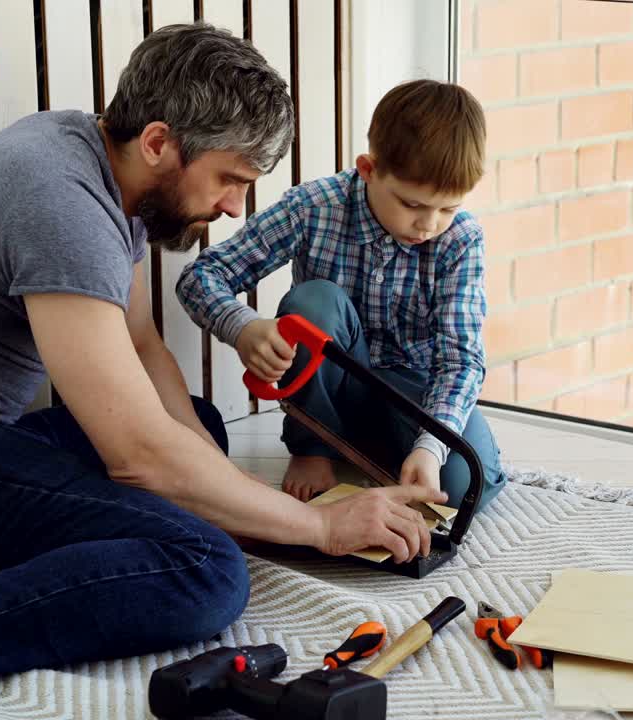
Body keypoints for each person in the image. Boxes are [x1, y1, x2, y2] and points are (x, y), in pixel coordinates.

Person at [0, 23, 444, 694]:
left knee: (198, 431)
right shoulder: (58, 202)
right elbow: (137, 456)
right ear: (160, 142)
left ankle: (12, 555)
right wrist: (319, 525)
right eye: (228, 178)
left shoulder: (92, 160)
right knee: (205, 570)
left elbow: (138, 343)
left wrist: (224, 489)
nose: (232, 206)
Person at [177, 79, 506, 514]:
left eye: (448, 209)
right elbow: (201, 275)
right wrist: (243, 328)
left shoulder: (461, 241)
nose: (428, 225)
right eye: (411, 204)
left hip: (412, 393)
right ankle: (315, 445)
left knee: (466, 486)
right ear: (368, 170)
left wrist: (430, 447)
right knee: (315, 303)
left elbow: (460, 361)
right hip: (329, 383)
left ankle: (382, 447)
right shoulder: (313, 207)